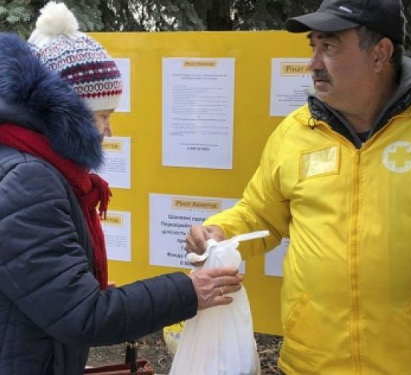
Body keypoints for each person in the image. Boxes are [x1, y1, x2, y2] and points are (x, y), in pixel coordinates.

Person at [186, 0, 411, 374]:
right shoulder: (296, 133)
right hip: (309, 363)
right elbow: (260, 214)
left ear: (380, 54)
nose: (314, 63)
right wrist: (222, 230)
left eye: (330, 47)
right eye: (313, 47)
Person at [0, 4, 242, 375]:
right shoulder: (28, 180)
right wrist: (189, 292)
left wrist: (80, 287)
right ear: (65, 115)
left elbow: (50, 292)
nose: (109, 131)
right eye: (102, 116)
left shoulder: (26, 159)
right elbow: (83, 315)